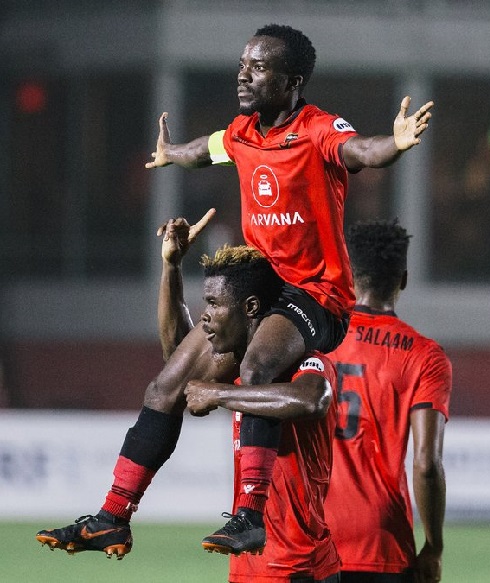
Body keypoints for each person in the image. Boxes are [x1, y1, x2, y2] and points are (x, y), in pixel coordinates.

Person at [144, 23, 433, 552]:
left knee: (256, 367)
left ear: (292, 82)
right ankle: (118, 511)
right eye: (242, 65)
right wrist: (170, 152)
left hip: (314, 294)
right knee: (171, 378)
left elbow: (361, 151)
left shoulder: (319, 129)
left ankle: (249, 514)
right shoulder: (242, 133)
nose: (243, 75)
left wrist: (395, 143)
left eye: (257, 67)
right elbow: (203, 150)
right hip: (263, 291)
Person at [38, 216, 342, 581]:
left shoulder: (302, 361)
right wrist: (171, 266)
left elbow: (313, 399)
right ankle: (113, 515)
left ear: (249, 309)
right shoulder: (236, 366)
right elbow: (177, 356)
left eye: (214, 304)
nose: (206, 316)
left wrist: (219, 393)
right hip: (247, 561)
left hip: (299, 563)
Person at [323, 220, 452, 583]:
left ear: (348, 275)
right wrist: (434, 545)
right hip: (382, 542)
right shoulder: (425, 356)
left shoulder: (311, 339)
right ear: (403, 279)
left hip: (311, 538)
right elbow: (426, 463)